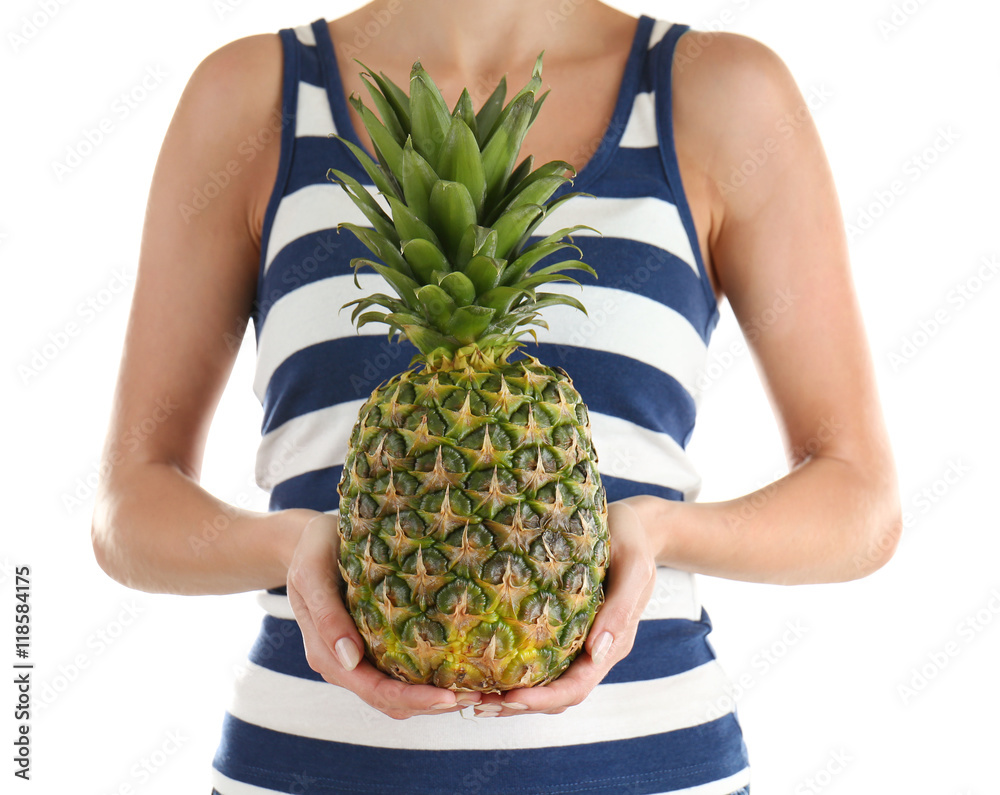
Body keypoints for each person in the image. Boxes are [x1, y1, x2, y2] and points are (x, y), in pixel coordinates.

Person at [90, 1, 902, 793]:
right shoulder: (251, 96)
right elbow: (130, 504)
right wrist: (293, 545)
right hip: (307, 763)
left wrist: (661, 529)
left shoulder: (719, 92)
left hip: (647, 765)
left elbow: (859, 501)